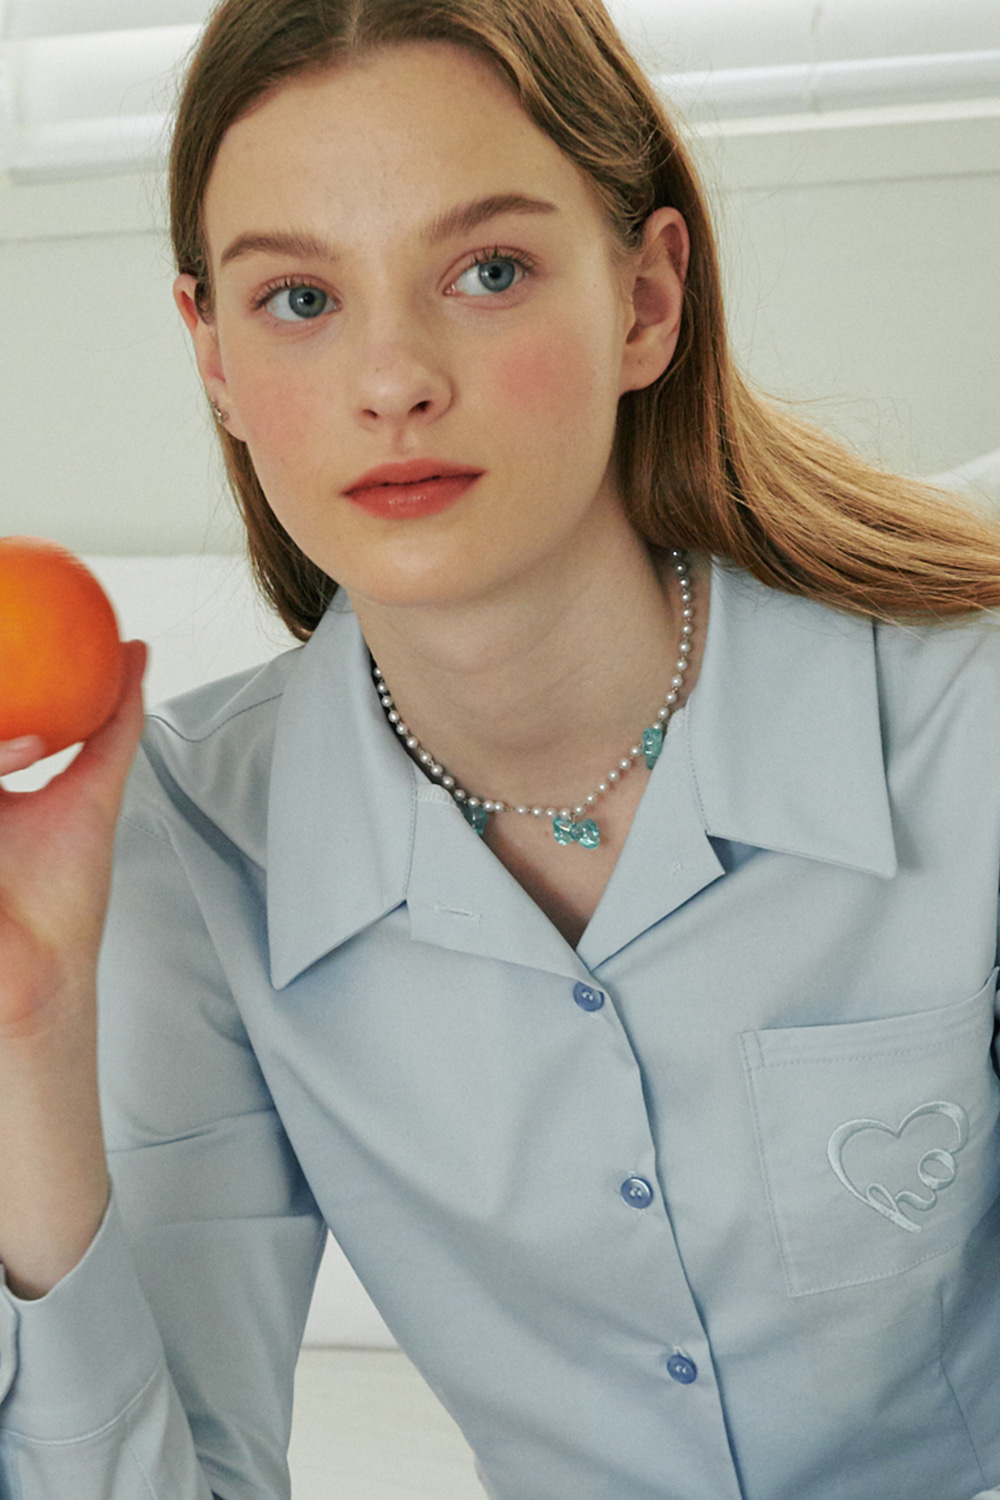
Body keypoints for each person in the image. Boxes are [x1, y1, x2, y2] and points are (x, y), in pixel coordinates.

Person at [1, 0, 999, 1496]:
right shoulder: (183, 845)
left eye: (488, 270)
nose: (391, 378)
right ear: (210, 352)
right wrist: (24, 1035)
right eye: (298, 298)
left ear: (647, 301)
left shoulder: (964, 720)